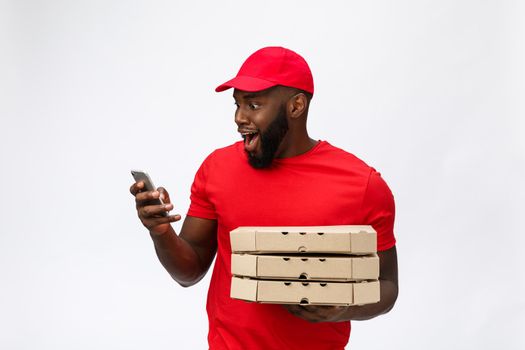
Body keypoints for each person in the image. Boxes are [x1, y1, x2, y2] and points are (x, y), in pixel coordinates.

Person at [130, 46, 398, 350]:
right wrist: (161, 232)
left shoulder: (362, 185)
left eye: (253, 105)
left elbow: (387, 287)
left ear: (296, 106)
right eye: (237, 105)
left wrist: (342, 310)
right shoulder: (217, 169)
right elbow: (189, 273)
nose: (239, 118)